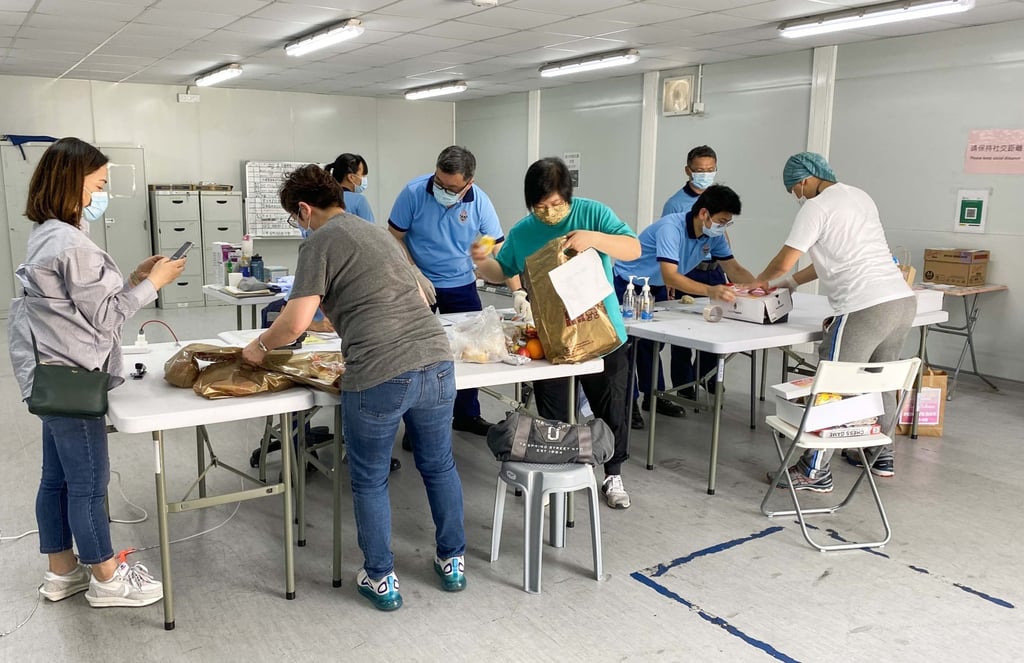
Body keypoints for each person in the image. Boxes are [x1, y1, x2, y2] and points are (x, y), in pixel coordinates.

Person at [242, 164, 465, 611]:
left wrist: (259, 346)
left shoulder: (319, 242)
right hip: (437, 362)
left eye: (294, 217)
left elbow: (294, 324)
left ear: (304, 209)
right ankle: (453, 561)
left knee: (369, 478)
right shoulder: (377, 234)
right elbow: (419, 296)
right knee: (439, 465)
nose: (299, 224)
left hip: (381, 371)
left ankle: (380, 577)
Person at [7, 137, 186, 608]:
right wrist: (154, 284)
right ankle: (107, 578)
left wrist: (133, 280)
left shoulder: (47, 233)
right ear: (72, 183)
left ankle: (62, 571)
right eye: (99, 184)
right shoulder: (72, 243)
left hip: (49, 375)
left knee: (56, 480)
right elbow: (105, 318)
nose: (102, 194)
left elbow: (77, 305)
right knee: (88, 484)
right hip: (75, 377)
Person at [472, 157, 641, 509]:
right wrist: (482, 260)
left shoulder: (592, 213)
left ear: (568, 195)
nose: (549, 213)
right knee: (554, 411)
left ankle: (613, 473)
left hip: (603, 334)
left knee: (611, 406)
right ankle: (554, 472)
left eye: (556, 204)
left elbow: (633, 248)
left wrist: (595, 239)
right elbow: (502, 270)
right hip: (552, 338)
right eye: (540, 206)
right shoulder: (524, 231)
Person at [753, 152, 915, 492]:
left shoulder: (816, 207)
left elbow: (785, 259)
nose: (797, 195)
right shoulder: (859, 196)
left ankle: (814, 470)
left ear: (804, 180)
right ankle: (880, 455)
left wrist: (758, 283)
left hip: (864, 306)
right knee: (881, 380)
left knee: (831, 387)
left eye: (794, 189)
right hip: (900, 301)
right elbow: (833, 258)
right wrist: (790, 284)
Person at [388, 145, 504, 437]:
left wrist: (481, 252)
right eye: (439, 182)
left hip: (461, 283)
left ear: (469, 183)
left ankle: (467, 415)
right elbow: (394, 236)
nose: (442, 190)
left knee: (471, 350)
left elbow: (494, 239)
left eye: (451, 188)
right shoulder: (414, 193)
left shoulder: (480, 201)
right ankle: (416, 427)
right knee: (416, 356)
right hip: (418, 284)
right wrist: (413, 272)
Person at [613, 185, 754, 427]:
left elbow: (733, 268)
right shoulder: (671, 228)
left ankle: (654, 396)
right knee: (628, 347)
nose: (723, 227)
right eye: (721, 221)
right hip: (628, 285)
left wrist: (760, 288)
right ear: (704, 214)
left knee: (651, 345)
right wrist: (711, 290)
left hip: (654, 286)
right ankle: (628, 403)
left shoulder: (713, 236)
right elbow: (671, 275)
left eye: (727, 222)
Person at [661, 145, 731, 412]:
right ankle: (684, 384)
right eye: (700, 170)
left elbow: (723, 234)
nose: (705, 174)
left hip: (714, 270)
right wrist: (670, 280)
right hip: (688, 270)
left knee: (716, 325)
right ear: (688, 171)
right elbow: (668, 245)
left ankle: (709, 377)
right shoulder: (675, 204)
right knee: (684, 331)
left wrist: (728, 270)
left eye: (710, 169)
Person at [325, 153, 374, 222]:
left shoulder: (323, 199)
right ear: (351, 177)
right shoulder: (359, 201)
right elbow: (370, 228)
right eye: (363, 175)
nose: (364, 178)